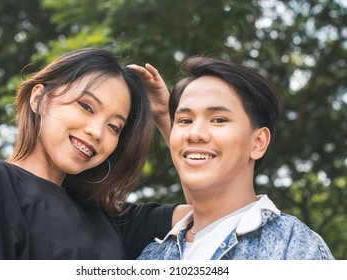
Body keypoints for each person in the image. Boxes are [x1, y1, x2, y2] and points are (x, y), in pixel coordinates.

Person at [0, 48, 189, 260]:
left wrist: (164, 117)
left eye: (114, 127)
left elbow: (216, 214)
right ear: (39, 98)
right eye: (86, 107)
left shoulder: (111, 219)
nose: (97, 132)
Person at [135, 56, 334, 260]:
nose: (194, 134)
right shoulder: (151, 255)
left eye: (219, 120)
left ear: (258, 142)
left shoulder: (293, 245)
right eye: (185, 120)